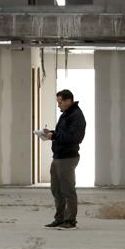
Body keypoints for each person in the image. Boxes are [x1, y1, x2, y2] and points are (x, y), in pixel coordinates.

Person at [40, 89, 86, 230]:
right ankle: (59, 219)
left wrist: (54, 137)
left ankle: (70, 221)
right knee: (56, 189)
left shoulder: (76, 116)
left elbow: (75, 138)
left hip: (68, 158)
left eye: (60, 102)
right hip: (58, 157)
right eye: (58, 102)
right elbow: (64, 133)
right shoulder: (66, 114)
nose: (58, 105)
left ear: (69, 100)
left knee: (67, 190)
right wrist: (51, 133)